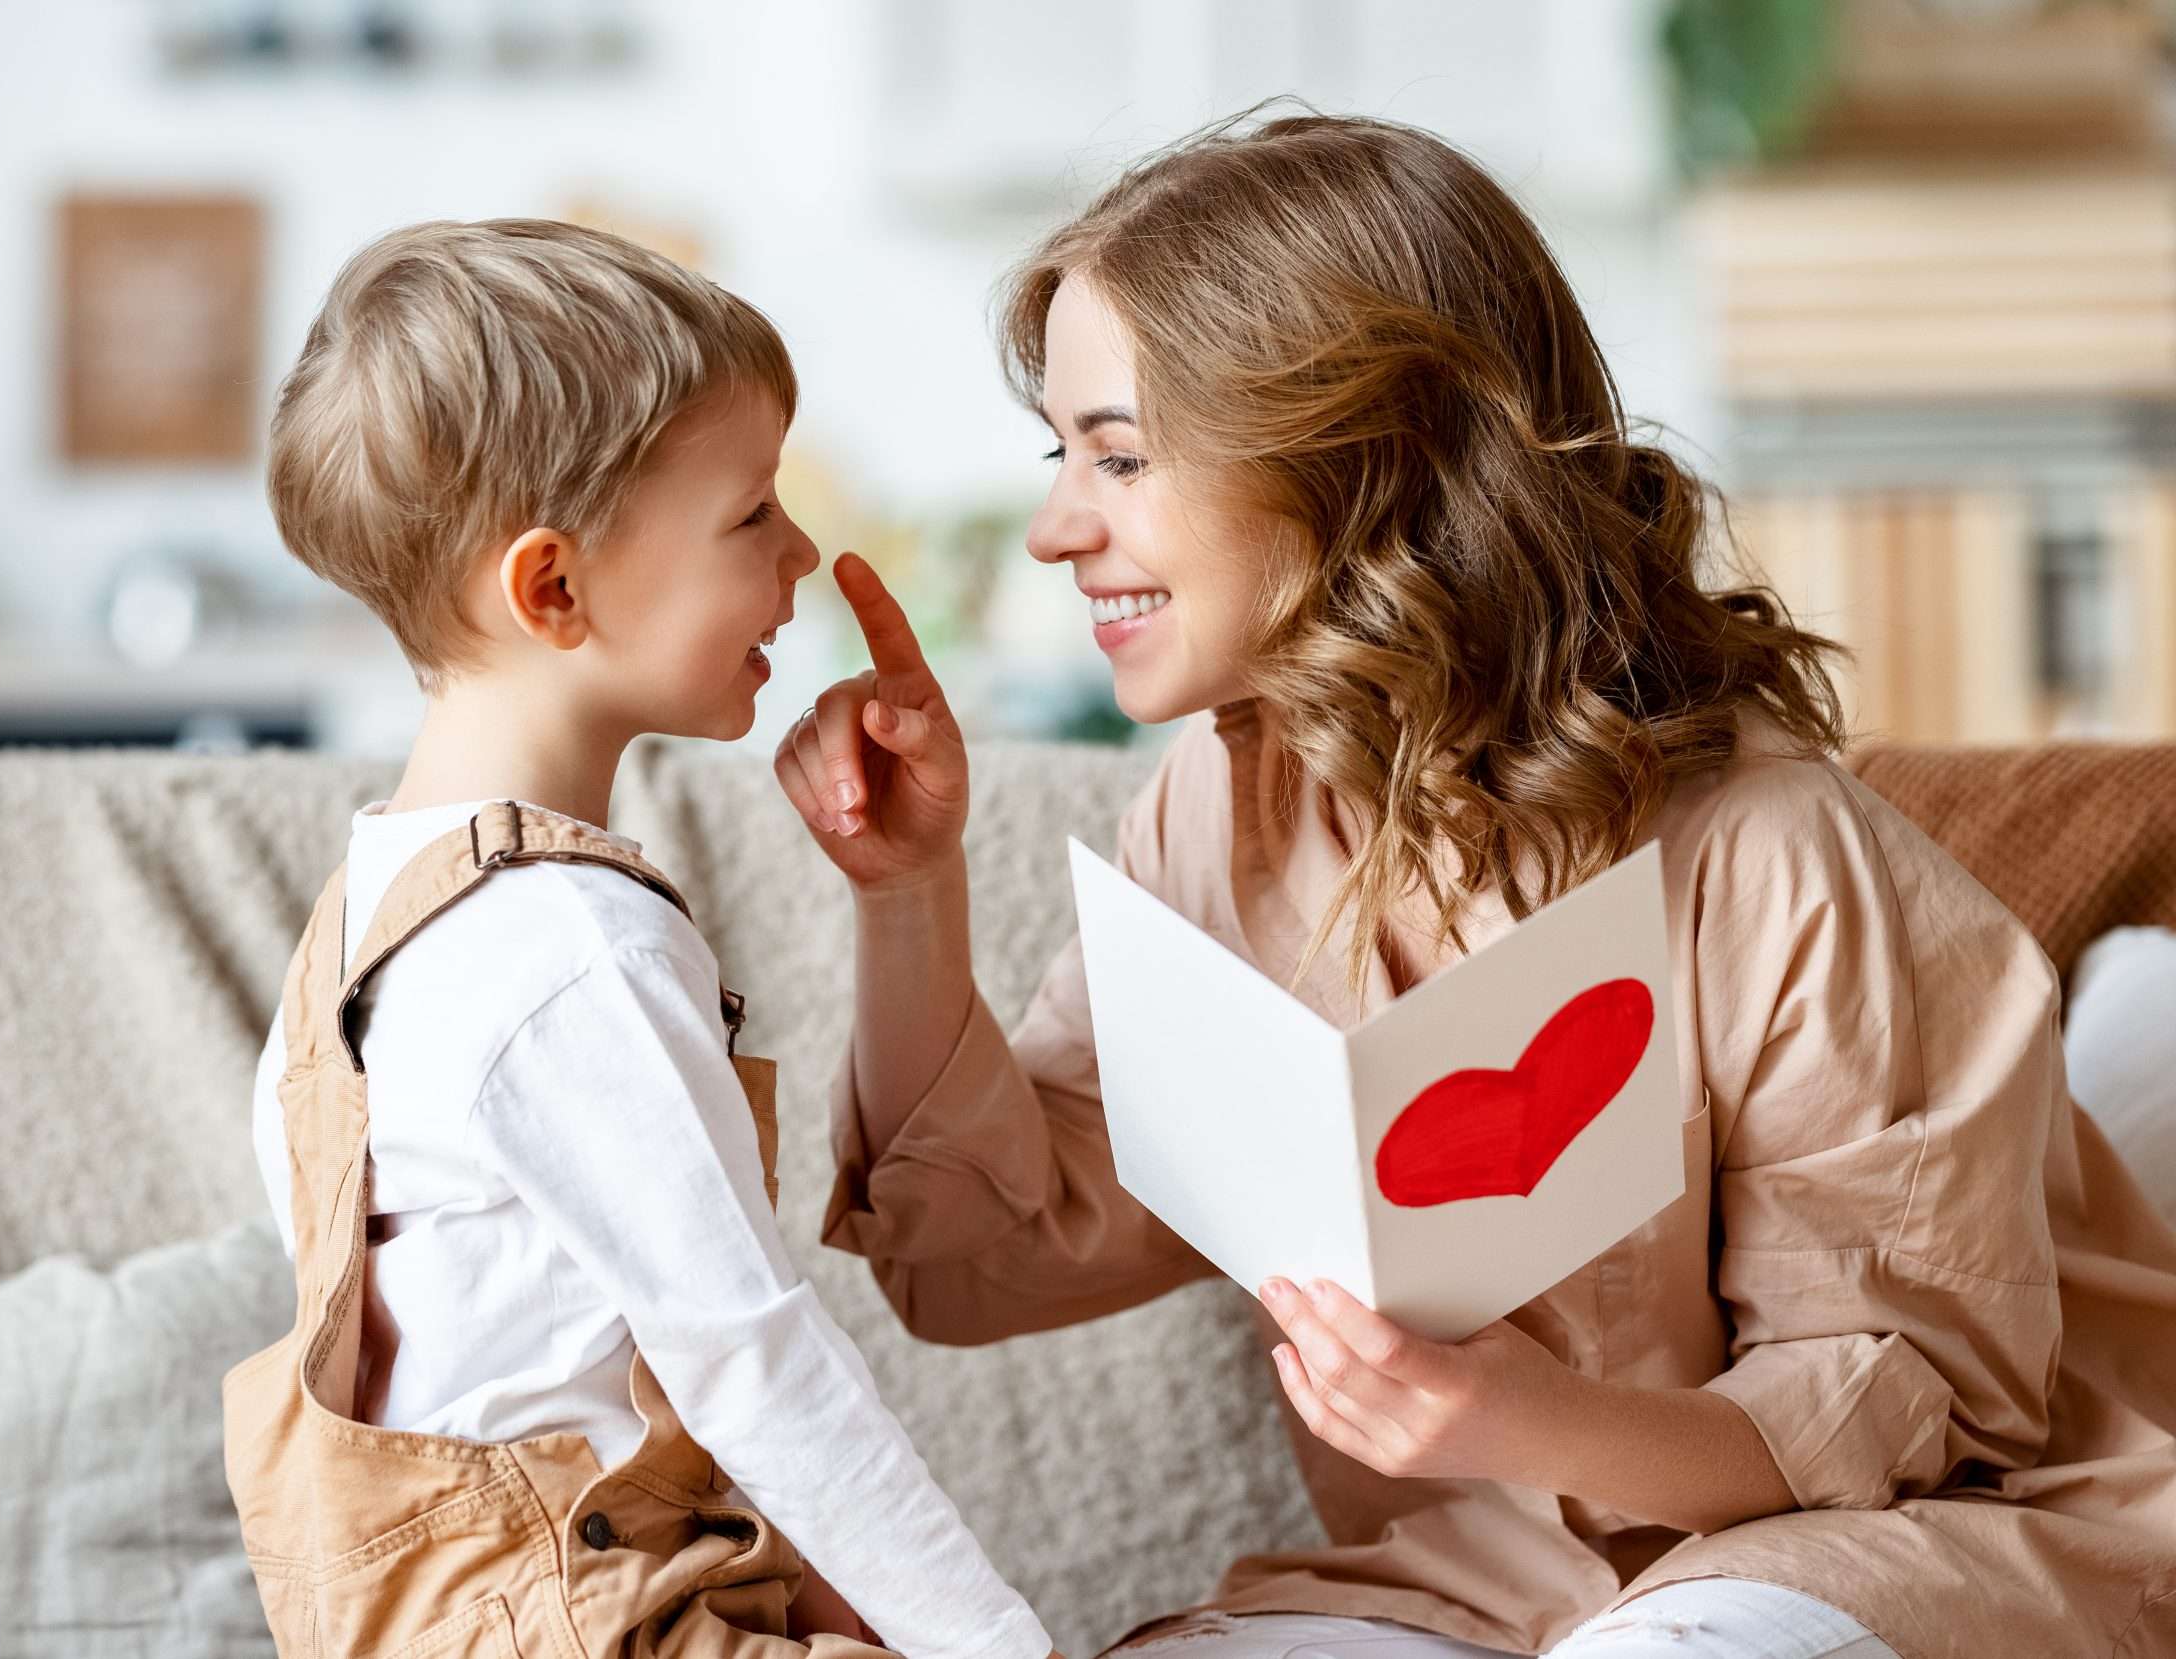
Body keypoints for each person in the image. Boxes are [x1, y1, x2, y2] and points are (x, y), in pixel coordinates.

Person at [776, 111, 2176, 1658]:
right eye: (1064, 456)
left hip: (1890, 1554)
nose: (1056, 529)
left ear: (1361, 455)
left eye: (1119, 456)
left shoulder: (1777, 849)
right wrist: (904, 892)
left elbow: (1892, 1417)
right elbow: (983, 1263)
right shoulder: (1217, 815)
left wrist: (1515, 1418)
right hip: (1483, 1594)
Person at [226, 218, 1055, 1659]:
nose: (802, 551)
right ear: (553, 589)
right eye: (751, 515)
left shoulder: (365, 922)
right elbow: (752, 1356)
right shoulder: (566, 946)